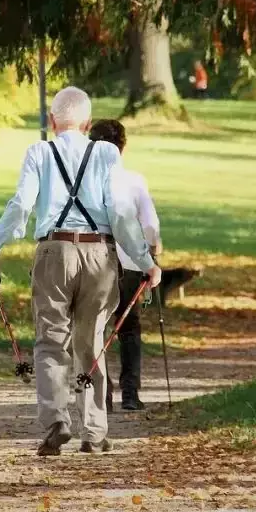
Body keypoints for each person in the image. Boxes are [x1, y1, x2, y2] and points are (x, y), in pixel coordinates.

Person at [0, 86, 161, 457]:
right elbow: (121, 215)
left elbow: (21, 206)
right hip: (99, 253)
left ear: (52, 120)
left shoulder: (39, 152)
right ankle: (94, 432)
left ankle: (57, 421)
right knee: (91, 342)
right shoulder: (106, 154)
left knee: (49, 340)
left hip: (53, 251)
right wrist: (145, 262)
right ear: (88, 123)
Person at [88, 119, 162, 413]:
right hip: (131, 262)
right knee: (129, 327)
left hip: (94, 262)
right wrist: (153, 255)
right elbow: (151, 225)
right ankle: (130, 394)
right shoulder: (134, 180)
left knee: (97, 327)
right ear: (123, 147)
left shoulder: (84, 181)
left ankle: (101, 396)